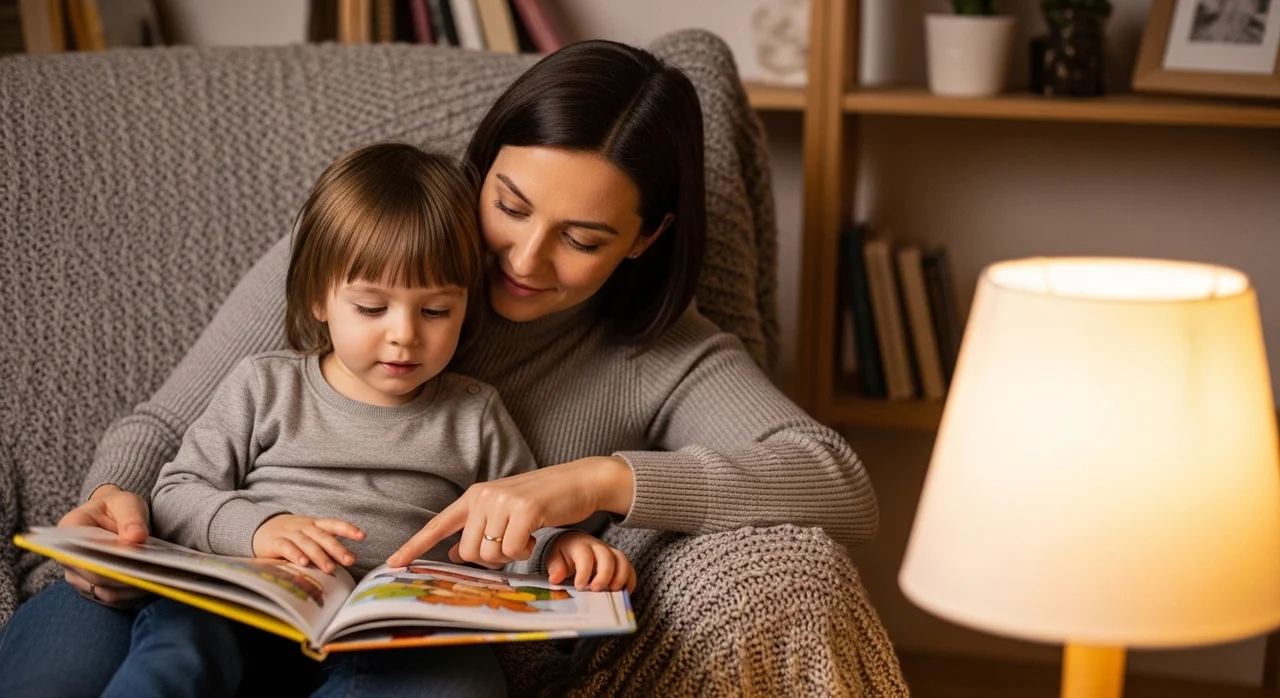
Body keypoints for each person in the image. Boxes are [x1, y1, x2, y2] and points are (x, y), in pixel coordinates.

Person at [0, 39, 877, 697]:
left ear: (645, 240)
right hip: (218, 593)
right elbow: (169, 427)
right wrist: (112, 506)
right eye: (510, 204)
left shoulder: (667, 354)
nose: (525, 259)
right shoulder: (371, 254)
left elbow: (837, 482)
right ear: (483, 164)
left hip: (406, 642)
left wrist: (593, 486)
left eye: (582, 239)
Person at [1, 143, 634, 698]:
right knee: (182, 642)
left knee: (460, 681)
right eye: (371, 307)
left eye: (436, 312)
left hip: (392, 629)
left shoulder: (475, 414)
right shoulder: (265, 384)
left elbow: (512, 532)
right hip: (247, 599)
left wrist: (561, 548)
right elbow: (176, 493)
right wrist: (260, 528)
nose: (404, 337)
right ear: (319, 298)